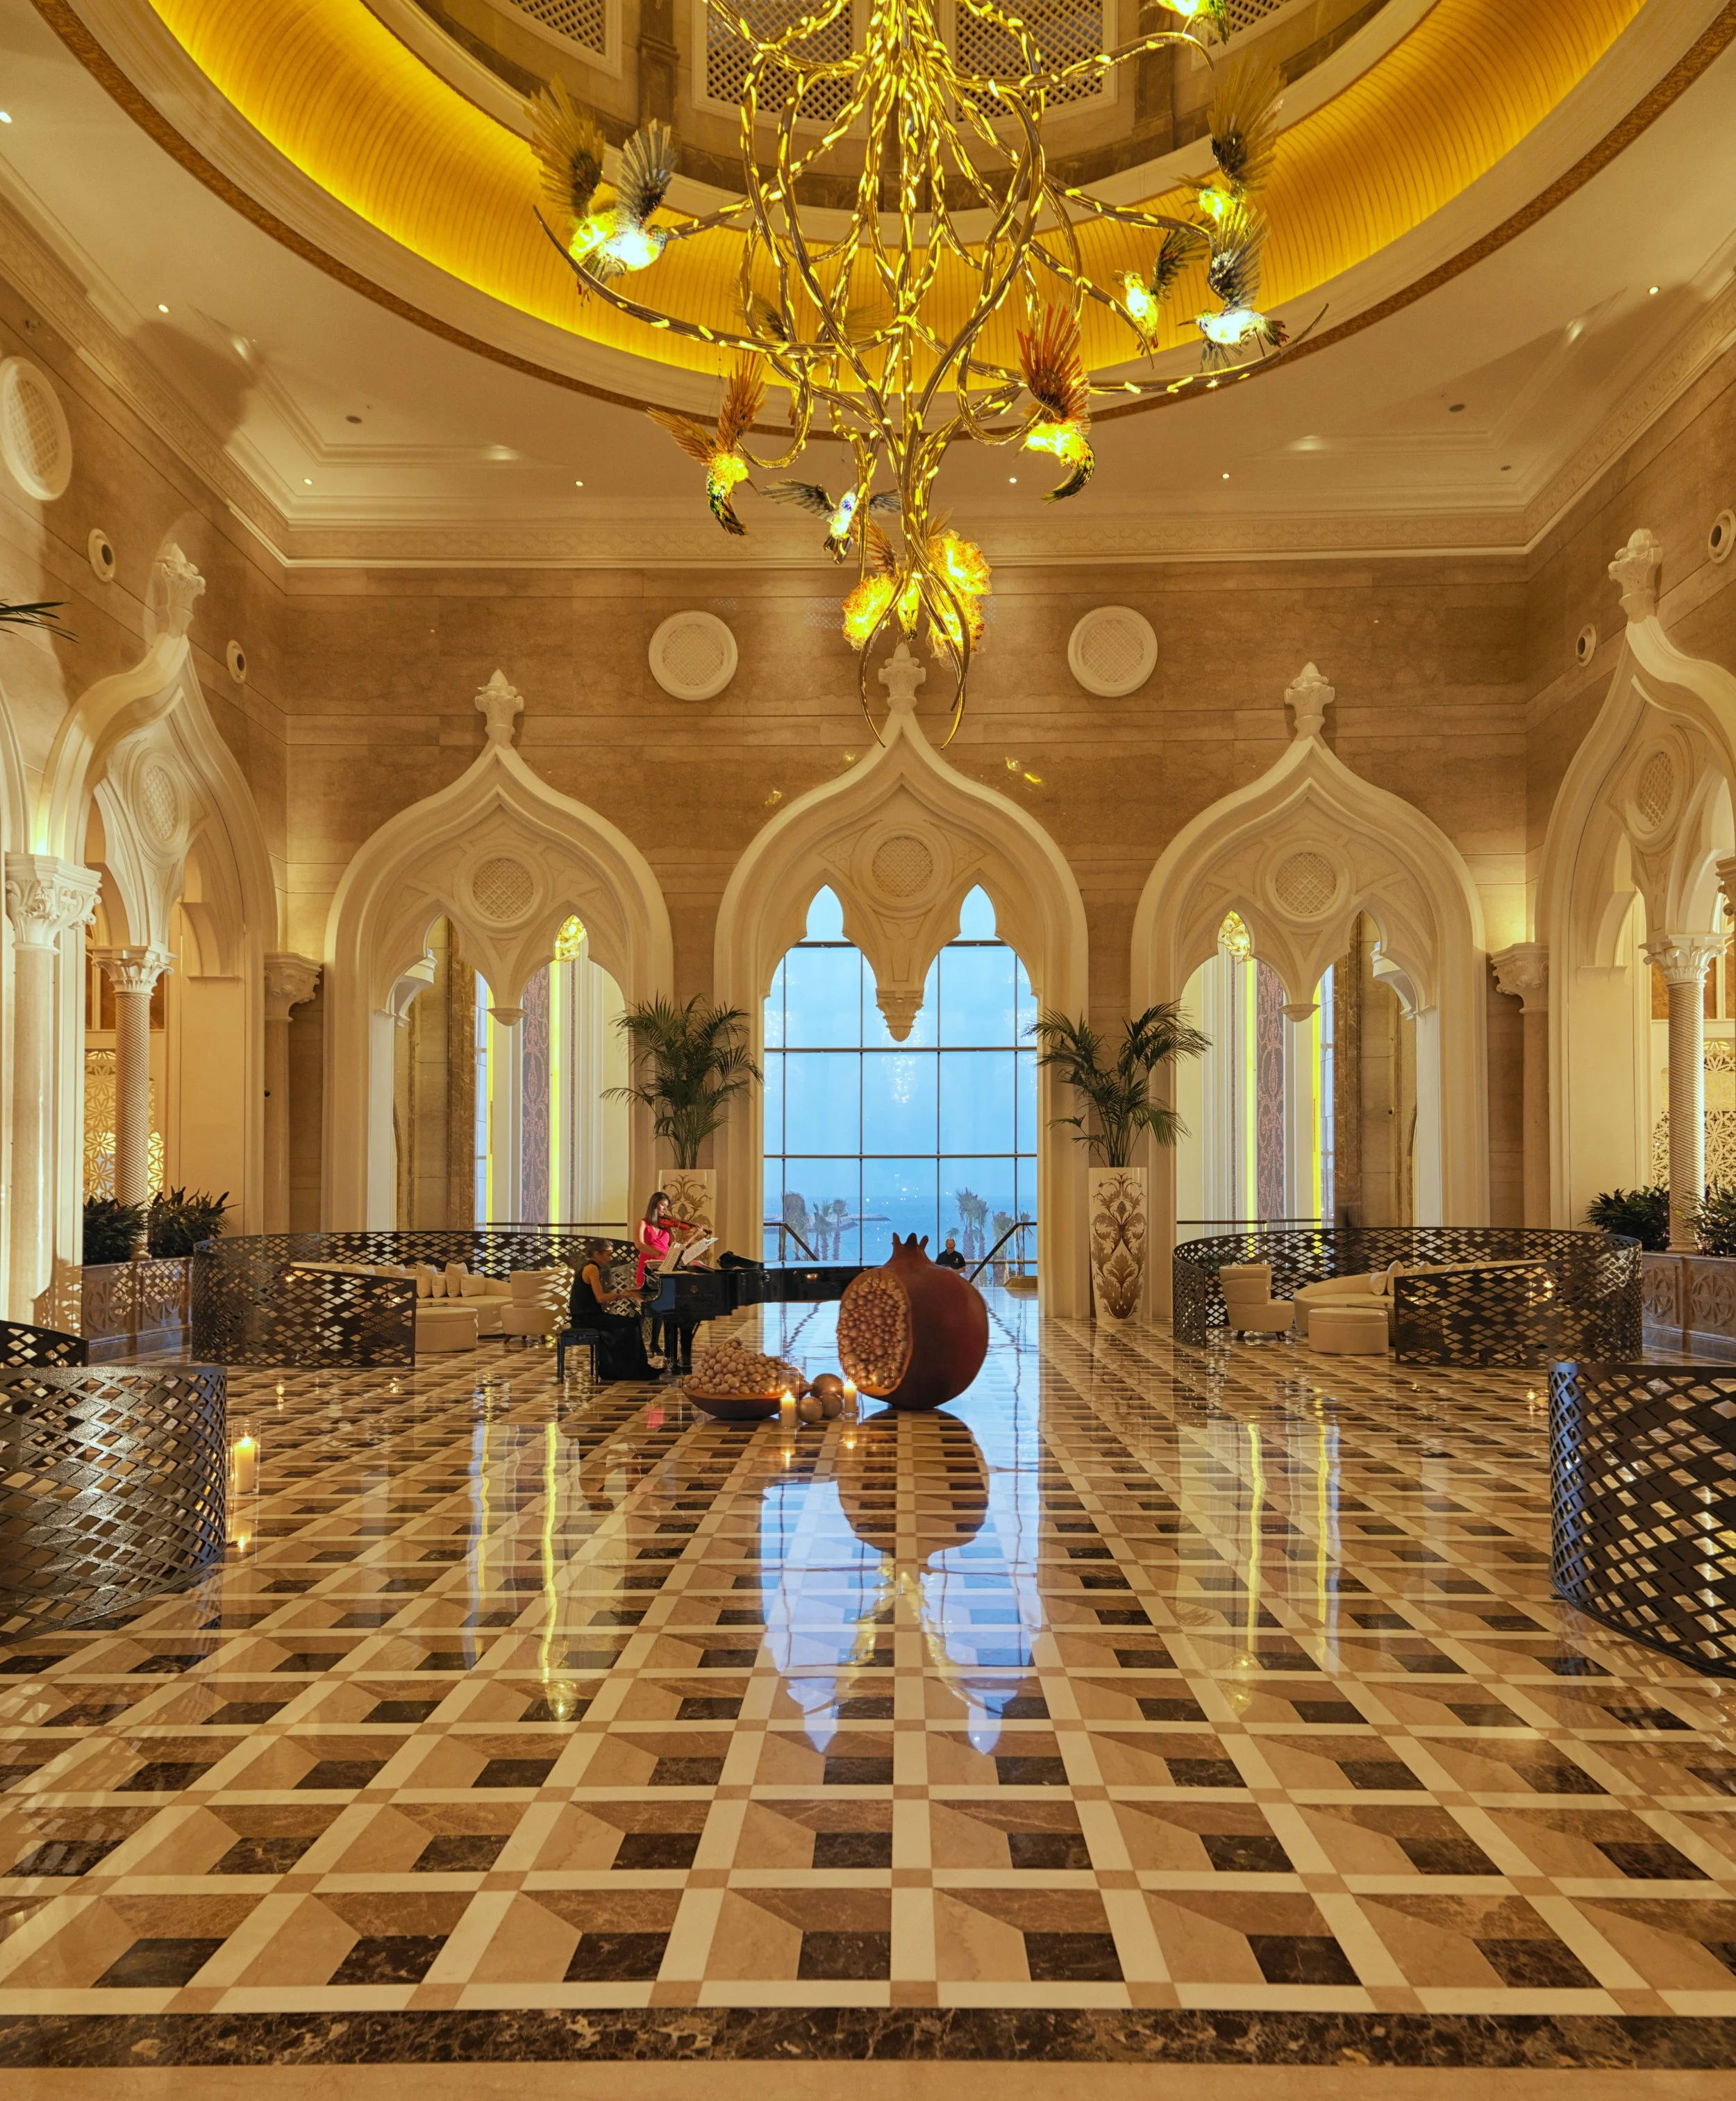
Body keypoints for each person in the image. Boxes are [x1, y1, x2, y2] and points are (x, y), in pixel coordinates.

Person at [569, 1240, 651, 1383]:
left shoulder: (589, 1267)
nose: (610, 1258)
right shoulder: (592, 1269)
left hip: (587, 1316)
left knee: (628, 1323)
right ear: (596, 1254)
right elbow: (600, 1298)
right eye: (608, 1254)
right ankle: (630, 1370)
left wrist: (624, 1293)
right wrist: (622, 1295)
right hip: (586, 1318)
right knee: (632, 1323)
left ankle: (622, 1368)